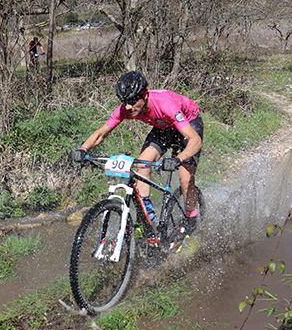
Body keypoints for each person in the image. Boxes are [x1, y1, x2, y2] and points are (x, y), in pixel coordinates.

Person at [72, 71, 204, 234]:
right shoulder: (126, 109)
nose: (128, 107)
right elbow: (101, 132)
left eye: (133, 101)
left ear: (145, 95)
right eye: (125, 102)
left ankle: (191, 219)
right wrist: (83, 148)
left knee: (185, 179)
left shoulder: (165, 104)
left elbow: (195, 141)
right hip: (163, 127)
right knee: (142, 164)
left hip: (188, 123)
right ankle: (150, 223)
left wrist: (178, 159)